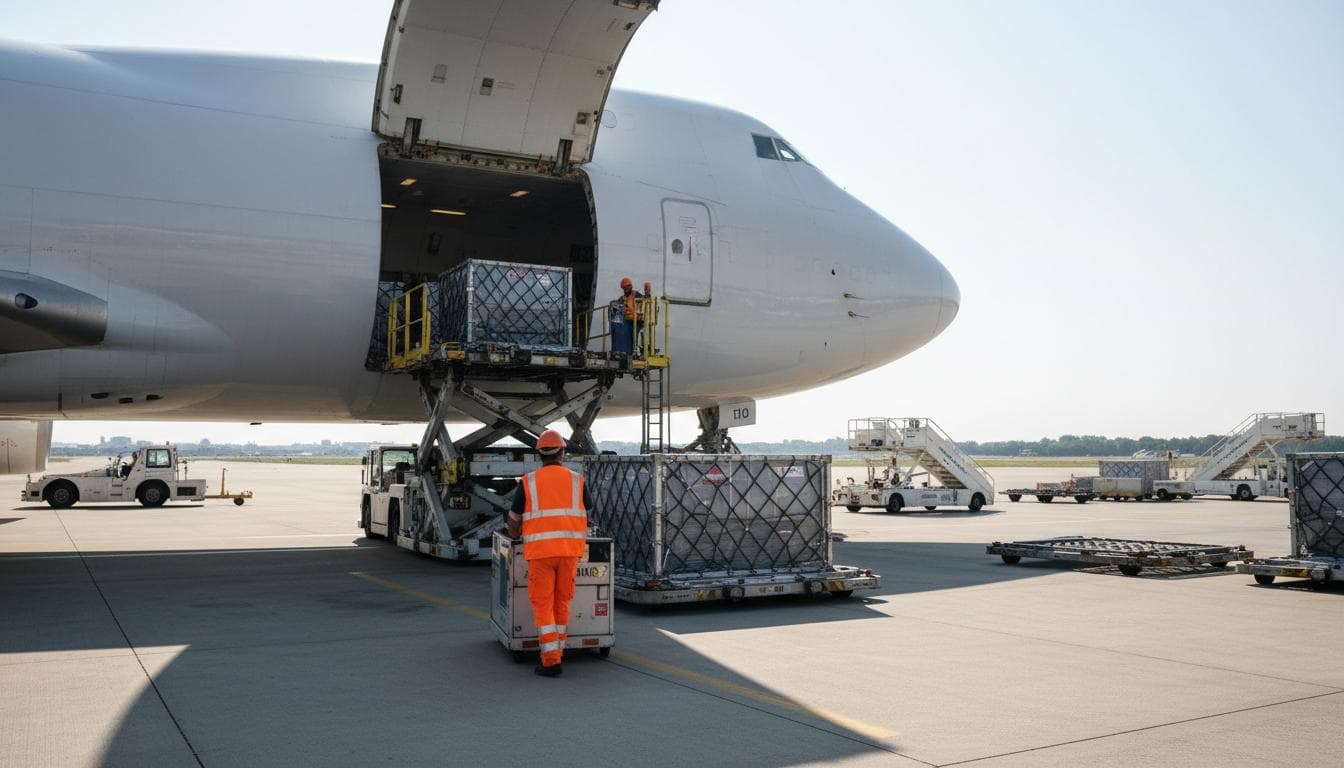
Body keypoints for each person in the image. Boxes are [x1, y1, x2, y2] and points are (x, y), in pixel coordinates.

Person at [508, 429, 592, 677]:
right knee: (562, 602)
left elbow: (514, 520)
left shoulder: (528, 482)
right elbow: (587, 509)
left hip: (541, 553)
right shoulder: (577, 480)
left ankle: (551, 660)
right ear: (562, 453)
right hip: (569, 552)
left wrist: (515, 534)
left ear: (539, 455)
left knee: (543, 605)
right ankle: (558, 652)